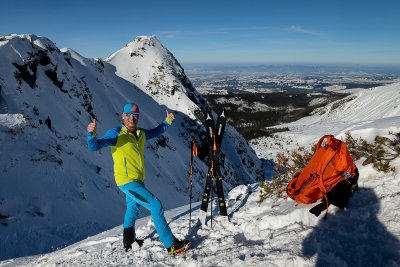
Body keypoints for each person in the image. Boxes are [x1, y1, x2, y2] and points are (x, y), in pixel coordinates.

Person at [87, 102, 191, 256]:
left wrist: (168, 120)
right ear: (123, 115)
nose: (131, 118)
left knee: (133, 209)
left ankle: (129, 242)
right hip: (127, 182)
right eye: (128, 114)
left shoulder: (140, 133)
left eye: (135, 115)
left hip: (138, 180)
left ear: (138, 117)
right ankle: (171, 246)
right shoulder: (116, 134)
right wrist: (91, 134)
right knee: (155, 204)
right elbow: (94, 146)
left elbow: (155, 132)